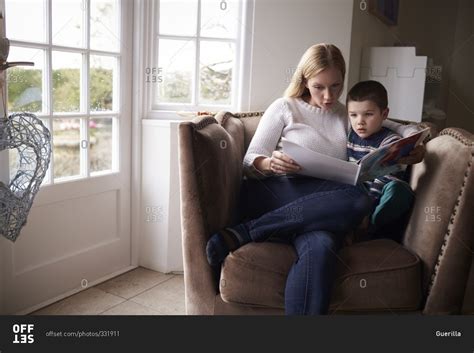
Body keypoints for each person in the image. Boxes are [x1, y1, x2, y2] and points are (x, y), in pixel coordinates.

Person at [206, 43, 425, 315]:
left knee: (323, 245)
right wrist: (270, 163)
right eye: (319, 86)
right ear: (304, 80)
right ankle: (247, 231)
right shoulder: (285, 107)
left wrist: (414, 141)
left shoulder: (346, 114)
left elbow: (396, 125)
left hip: (320, 210)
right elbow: (250, 161)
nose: (328, 95)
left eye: (336, 86)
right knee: (357, 198)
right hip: (275, 193)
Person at [346, 80, 415, 241]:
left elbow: (387, 177)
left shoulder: (391, 141)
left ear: (384, 114)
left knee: (398, 189)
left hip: (379, 196)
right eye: (353, 115)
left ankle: (374, 222)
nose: (360, 121)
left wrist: (368, 209)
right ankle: (360, 226)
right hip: (358, 196)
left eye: (368, 114)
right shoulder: (350, 136)